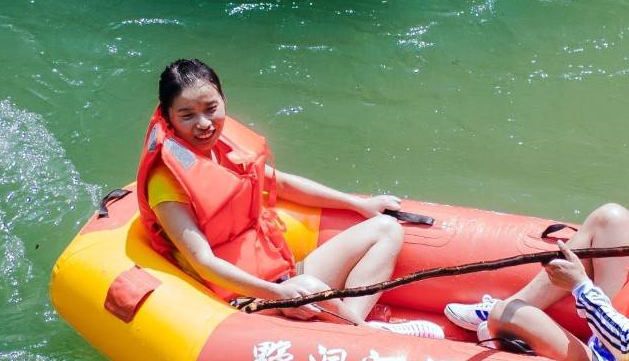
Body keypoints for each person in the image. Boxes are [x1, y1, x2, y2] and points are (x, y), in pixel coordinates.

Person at [137, 58, 425, 329]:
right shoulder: (166, 182)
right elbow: (203, 260)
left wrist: (358, 204)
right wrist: (277, 293)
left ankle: (350, 323)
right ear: (168, 117)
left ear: (223, 100)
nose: (203, 123)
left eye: (210, 108)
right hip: (239, 300)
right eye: (187, 115)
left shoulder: (225, 149)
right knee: (313, 290)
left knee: (385, 229)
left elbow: (283, 184)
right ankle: (368, 334)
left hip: (283, 275)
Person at [444, 144, 629, 361]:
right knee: (611, 218)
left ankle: (496, 320)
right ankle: (506, 307)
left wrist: (580, 285)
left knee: (507, 315)